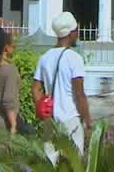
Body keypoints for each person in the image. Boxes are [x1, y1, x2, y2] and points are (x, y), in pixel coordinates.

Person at [32, 11, 93, 155]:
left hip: (50, 121)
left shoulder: (45, 57)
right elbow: (79, 94)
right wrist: (88, 120)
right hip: (70, 119)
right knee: (73, 163)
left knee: (50, 163)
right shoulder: (74, 58)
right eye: (76, 30)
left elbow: (36, 89)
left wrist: (43, 107)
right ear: (71, 33)